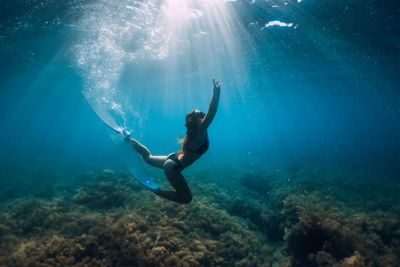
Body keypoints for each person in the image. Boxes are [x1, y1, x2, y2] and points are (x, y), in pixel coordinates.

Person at [123, 78, 221, 204]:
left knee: (148, 157)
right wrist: (216, 92)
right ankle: (156, 191)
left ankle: (129, 140)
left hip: (172, 159)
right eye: (201, 114)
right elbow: (212, 111)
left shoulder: (196, 132)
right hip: (174, 167)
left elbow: (209, 114)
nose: (204, 115)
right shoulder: (200, 131)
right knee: (186, 199)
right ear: (199, 120)